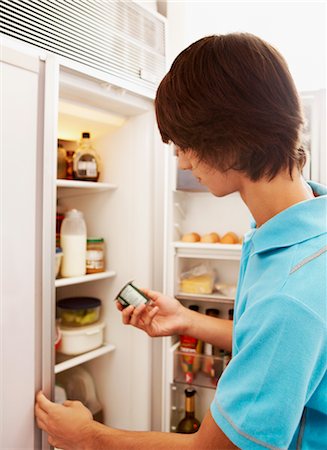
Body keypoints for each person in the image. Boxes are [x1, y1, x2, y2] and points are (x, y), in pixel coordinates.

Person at [35, 33, 327, 449]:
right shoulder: (301, 228)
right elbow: (275, 344)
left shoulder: (291, 292)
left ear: (229, 136)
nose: (184, 161)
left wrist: (88, 435)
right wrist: (187, 320)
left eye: (185, 144)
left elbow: (213, 448)